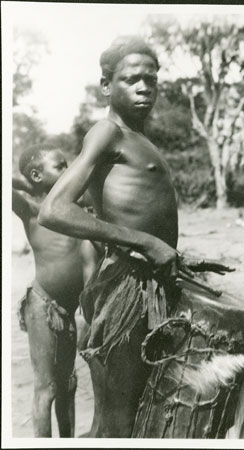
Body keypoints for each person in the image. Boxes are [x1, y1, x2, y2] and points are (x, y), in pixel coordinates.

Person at [38, 36, 204, 438]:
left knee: (148, 410)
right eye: (132, 79)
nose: (145, 86)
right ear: (107, 86)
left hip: (157, 285)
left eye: (151, 78)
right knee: (117, 423)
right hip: (126, 291)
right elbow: (54, 209)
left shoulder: (141, 141)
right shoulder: (106, 132)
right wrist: (144, 242)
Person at [12, 144, 97, 437]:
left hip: (69, 312)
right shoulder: (34, 211)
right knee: (46, 389)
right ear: (36, 175)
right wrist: (23, 182)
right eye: (59, 166)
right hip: (42, 306)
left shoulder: (76, 207)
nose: (67, 168)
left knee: (68, 385)